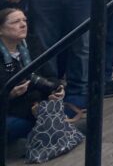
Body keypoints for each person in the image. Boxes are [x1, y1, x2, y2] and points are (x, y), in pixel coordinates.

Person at [0, 8, 65, 143]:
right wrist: (9, 94)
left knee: (57, 114)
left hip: (35, 106)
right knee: (15, 126)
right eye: (15, 22)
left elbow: (50, 75)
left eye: (24, 20)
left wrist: (56, 90)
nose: (23, 25)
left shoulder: (32, 43)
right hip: (9, 110)